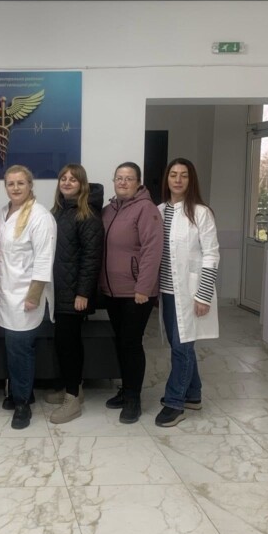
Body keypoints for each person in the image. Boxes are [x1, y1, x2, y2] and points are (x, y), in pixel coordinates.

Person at [155, 158, 220, 426]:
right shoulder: (159, 211)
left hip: (191, 292)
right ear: (167, 179)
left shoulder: (201, 213)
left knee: (181, 348)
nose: (178, 180)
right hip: (167, 291)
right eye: (173, 174)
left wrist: (203, 295)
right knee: (180, 343)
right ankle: (193, 394)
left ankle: (175, 402)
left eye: (183, 175)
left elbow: (212, 255)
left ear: (191, 180)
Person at [100, 161, 163, 424]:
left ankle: (134, 399)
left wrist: (143, 288)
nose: (123, 182)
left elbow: (152, 250)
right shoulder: (108, 210)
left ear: (138, 183)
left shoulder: (146, 209)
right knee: (121, 342)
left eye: (129, 178)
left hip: (136, 293)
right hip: (112, 291)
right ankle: (126, 390)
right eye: (119, 178)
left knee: (131, 344)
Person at [0, 165, 57, 430]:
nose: (15, 188)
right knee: (13, 347)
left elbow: (44, 259)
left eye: (21, 183)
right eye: (11, 183)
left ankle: (22, 405)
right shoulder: (3, 212)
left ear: (30, 185)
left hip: (25, 296)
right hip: (6, 294)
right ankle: (22, 393)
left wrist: (34, 296)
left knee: (20, 350)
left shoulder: (40, 216)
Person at [46, 164, 104, 423]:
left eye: (73, 179)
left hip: (74, 294)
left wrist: (83, 293)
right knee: (64, 343)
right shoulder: (57, 212)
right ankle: (74, 389)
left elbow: (92, 258)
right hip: (58, 290)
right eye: (63, 178)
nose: (67, 182)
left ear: (82, 184)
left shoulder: (87, 214)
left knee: (68, 345)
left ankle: (71, 400)